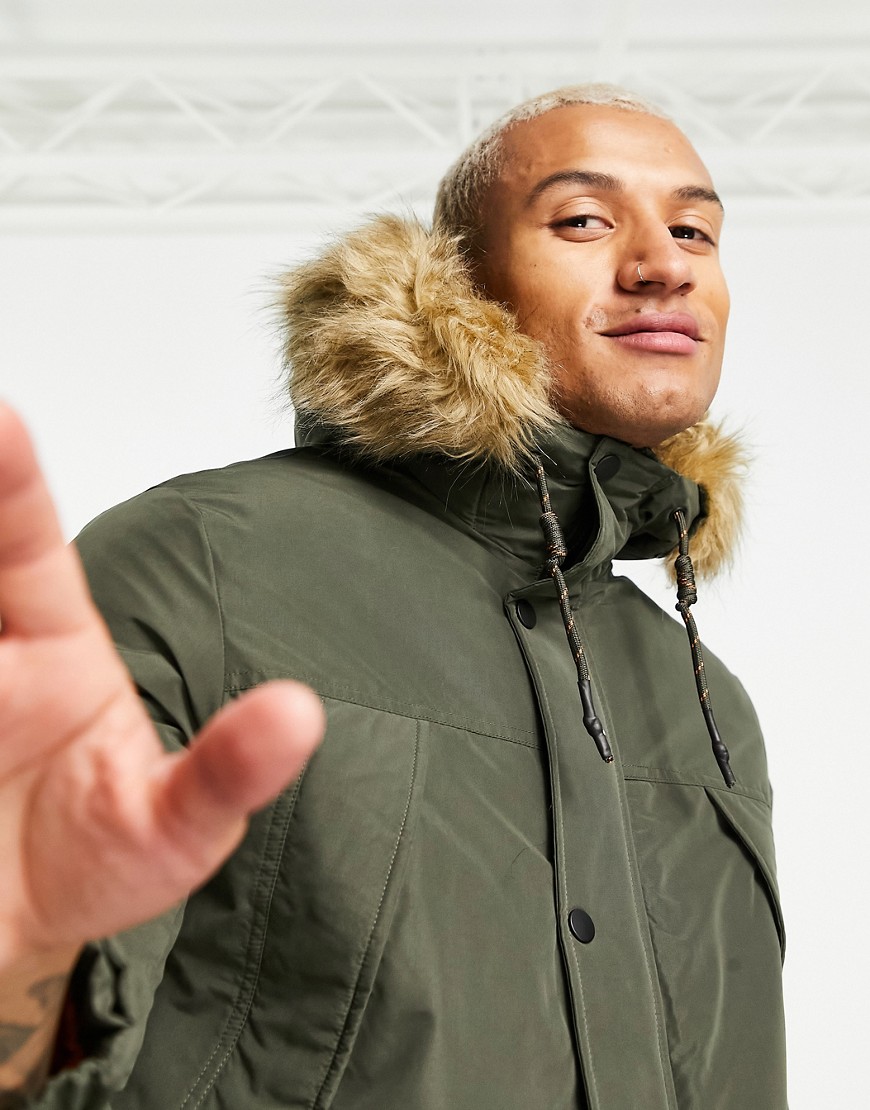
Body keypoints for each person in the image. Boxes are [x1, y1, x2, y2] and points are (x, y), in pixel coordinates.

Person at [0, 84, 787, 1109]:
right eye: (585, 220)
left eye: (694, 231)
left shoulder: (704, 704)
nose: (664, 263)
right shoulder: (202, 566)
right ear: (455, 283)